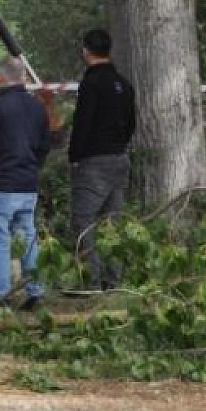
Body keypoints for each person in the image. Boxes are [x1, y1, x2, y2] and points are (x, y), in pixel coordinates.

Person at [0, 55, 51, 310]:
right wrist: (33, 168)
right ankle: (36, 290)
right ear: (24, 77)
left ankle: (0, 294)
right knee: (28, 237)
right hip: (27, 183)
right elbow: (44, 145)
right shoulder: (37, 107)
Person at [69, 27, 136, 290]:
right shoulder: (124, 84)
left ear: (86, 50)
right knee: (112, 222)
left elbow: (82, 123)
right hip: (119, 158)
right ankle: (114, 280)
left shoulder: (91, 84)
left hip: (93, 162)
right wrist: (119, 145)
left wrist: (75, 155)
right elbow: (131, 123)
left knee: (84, 221)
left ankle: (91, 280)